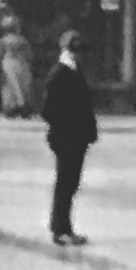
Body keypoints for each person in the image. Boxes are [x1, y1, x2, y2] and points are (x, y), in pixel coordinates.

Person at [43, 29, 98, 247]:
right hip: (67, 138)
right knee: (65, 183)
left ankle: (65, 227)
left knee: (71, 183)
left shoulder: (73, 71)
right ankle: (59, 228)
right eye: (76, 51)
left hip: (76, 137)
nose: (79, 56)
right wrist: (67, 124)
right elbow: (48, 109)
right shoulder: (60, 73)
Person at [0, 21, 36, 118]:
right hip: (20, 63)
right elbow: (29, 54)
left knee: (9, 86)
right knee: (22, 86)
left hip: (8, 63)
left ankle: (10, 108)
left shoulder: (3, 40)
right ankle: (23, 107)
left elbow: (0, 53)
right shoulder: (22, 40)